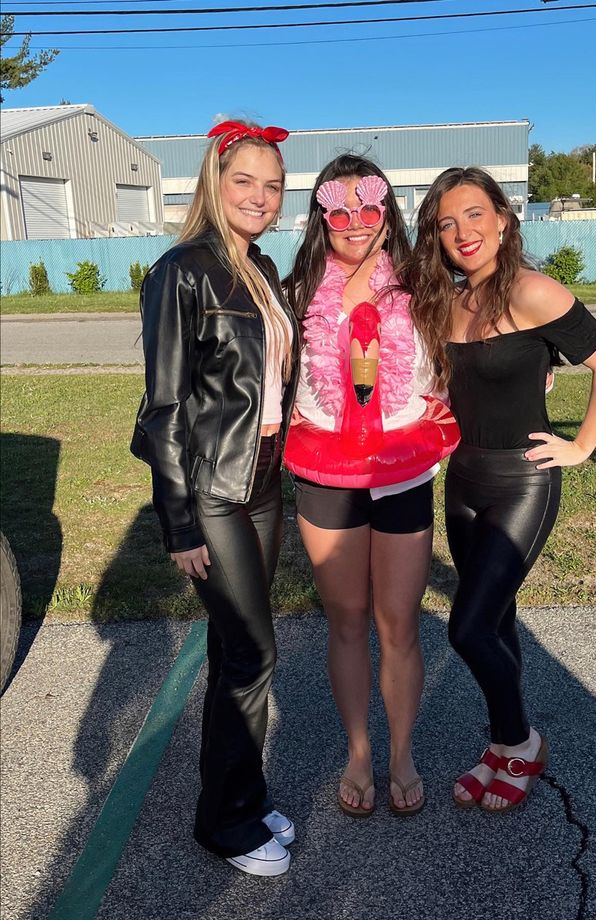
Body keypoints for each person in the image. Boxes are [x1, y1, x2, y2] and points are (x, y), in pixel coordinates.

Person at [407, 167, 596, 813]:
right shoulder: (446, 302)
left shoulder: (534, 291)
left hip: (523, 480)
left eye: (475, 214)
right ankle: (502, 750)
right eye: (447, 223)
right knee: (495, 623)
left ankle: (521, 742)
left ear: (503, 218)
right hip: (464, 479)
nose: (462, 232)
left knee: (467, 628)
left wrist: (581, 446)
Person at [131, 119, 300, 875]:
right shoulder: (182, 270)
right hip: (214, 492)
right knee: (253, 654)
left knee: (241, 651)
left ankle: (245, 792)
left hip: (265, 482)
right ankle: (225, 823)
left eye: (273, 186)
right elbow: (162, 407)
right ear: (213, 180)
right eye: (246, 181)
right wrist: (178, 525)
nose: (260, 197)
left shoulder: (260, 267)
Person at [283, 155, 458, 817]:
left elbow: (479, 329)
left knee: (398, 621)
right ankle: (359, 751)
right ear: (321, 218)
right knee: (349, 620)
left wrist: (539, 364)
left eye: (370, 207)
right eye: (339, 210)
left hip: (402, 467)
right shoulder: (297, 288)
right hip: (325, 468)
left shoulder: (424, 284)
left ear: (388, 213)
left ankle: (402, 753)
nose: (356, 223)